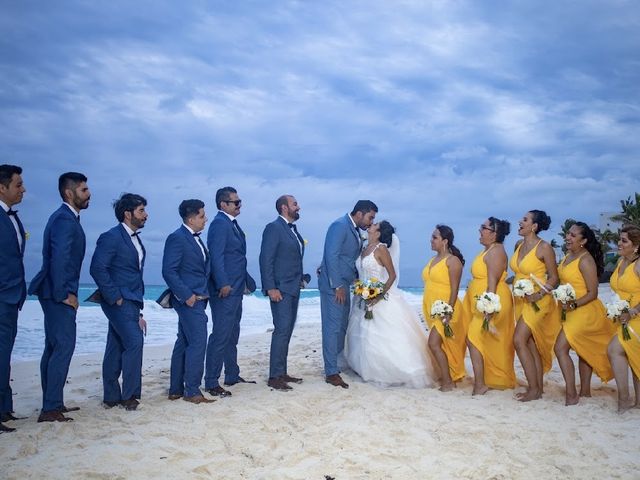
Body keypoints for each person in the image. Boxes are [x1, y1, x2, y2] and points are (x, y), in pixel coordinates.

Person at [29, 172, 90, 422]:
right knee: (63, 346)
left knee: (54, 347)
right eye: (84, 190)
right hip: (58, 292)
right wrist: (64, 294)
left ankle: (53, 402)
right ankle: (51, 407)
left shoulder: (67, 218)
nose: (88, 194)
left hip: (53, 290)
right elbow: (60, 258)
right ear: (69, 193)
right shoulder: (64, 219)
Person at [346, 221, 435, 387]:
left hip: (379, 298)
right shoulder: (364, 248)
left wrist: (377, 295)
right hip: (362, 297)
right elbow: (360, 273)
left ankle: (391, 371)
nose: (371, 225)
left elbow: (392, 276)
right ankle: (367, 369)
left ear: (378, 233)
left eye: (374, 225)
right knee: (363, 335)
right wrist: (359, 287)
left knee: (382, 335)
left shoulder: (381, 249)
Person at [90, 193, 148, 411]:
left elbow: (133, 274)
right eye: (141, 210)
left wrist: (139, 311)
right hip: (118, 300)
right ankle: (130, 396)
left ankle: (111, 397)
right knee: (135, 342)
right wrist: (115, 296)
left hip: (132, 301)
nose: (145, 215)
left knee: (115, 346)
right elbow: (97, 268)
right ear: (127, 214)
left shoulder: (136, 238)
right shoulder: (111, 237)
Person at [553, 221, 616, 406]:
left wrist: (573, 305)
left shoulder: (586, 260)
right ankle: (585, 392)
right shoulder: (567, 256)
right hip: (569, 310)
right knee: (582, 350)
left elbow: (592, 292)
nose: (568, 237)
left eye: (573, 235)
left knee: (560, 348)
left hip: (584, 310)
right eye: (568, 234)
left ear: (584, 240)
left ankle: (572, 394)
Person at [319, 200, 377, 389]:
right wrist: (337, 285)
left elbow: (348, 257)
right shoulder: (339, 226)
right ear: (359, 213)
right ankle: (331, 372)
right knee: (333, 327)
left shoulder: (353, 230)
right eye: (370, 217)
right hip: (334, 287)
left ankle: (335, 364)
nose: (370, 222)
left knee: (342, 326)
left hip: (345, 285)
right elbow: (331, 255)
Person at [204, 187, 256, 397]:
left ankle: (232, 374)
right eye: (236, 202)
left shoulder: (232, 224)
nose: (239, 205)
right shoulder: (219, 224)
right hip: (225, 290)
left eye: (239, 201)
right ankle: (211, 381)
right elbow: (215, 256)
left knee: (232, 333)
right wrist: (222, 283)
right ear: (223, 204)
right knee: (221, 334)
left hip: (236, 287)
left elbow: (236, 257)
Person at [163, 199, 215, 404]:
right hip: (189, 299)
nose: (205, 219)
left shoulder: (196, 239)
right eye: (202, 215)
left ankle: (176, 389)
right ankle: (192, 390)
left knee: (184, 342)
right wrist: (187, 296)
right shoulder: (177, 238)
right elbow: (169, 271)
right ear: (191, 218)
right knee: (198, 341)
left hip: (199, 297)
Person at [510, 210, 560, 402]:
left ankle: (533, 388)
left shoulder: (544, 248)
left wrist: (538, 294)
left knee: (518, 340)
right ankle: (537, 390)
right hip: (520, 300)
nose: (520, 222)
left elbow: (554, 277)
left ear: (534, 226)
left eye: (525, 219)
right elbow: (517, 273)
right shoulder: (517, 245)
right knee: (530, 344)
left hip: (539, 301)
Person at [462, 217, 516, 395]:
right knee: (483, 339)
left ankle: (480, 384)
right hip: (483, 298)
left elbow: (492, 282)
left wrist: (488, 307)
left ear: (494, 234)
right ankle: (487, 379)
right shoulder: (488, 250)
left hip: (493, 299)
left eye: (484, 228)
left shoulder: (496, 252)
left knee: (473, 337)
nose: (480, 230)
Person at [259, 195, 306, 391]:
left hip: (293, 287)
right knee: (281, 330)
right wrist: (271, 287)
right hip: (280, 289)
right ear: (284, 208)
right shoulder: (273, 228)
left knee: (287, 331)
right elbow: (265, 259)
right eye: (295, 204)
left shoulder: (292, 230)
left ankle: (282, 371)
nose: (299, 207)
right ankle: (274, 376)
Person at [422, 225, 466, 391]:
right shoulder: (432, 260)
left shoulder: (452, 261)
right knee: (441, 345)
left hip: (447, 309)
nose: (431, 240)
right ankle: (447, 377)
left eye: (435, 237)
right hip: (432, 309)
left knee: (433, 343)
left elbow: (455, 289)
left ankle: (448, 382)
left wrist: (448, 311)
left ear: (445, 241)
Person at [0, 165, 26, 434]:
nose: (23, 189)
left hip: (12, 297)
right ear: (2, 187)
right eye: (18, 185)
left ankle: (4, 409)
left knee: (4, 354)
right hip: (3, 295)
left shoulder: (12, 218)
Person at [607, 224, 640, 412]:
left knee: (614, 349)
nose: (619, 243)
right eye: (619, 239)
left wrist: (633, 311)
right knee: (634, 357)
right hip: (622, 319)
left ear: (636, 245)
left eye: (624, 240)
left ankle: (624, 399)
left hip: (636, 318)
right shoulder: (621, 262)